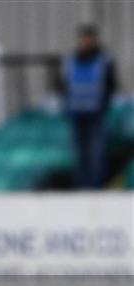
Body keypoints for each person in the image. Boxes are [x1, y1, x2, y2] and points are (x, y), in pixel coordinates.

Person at [55, 23, 118, 189]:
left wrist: (104, 104)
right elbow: (62, 84)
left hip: (95, 112)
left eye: (88, 37)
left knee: (95, 152)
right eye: (83, 37)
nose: (86, 41)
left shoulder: (103, 59)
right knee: (79, 152)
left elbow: (110, 84)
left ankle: (95, 185)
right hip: (75, 112)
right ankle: (81, 185)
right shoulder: (70, 59)